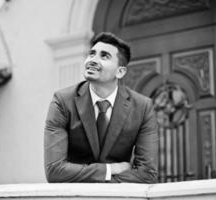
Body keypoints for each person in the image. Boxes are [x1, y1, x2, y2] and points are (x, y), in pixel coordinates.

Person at [44, 32, 158, 183]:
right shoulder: (62, 102)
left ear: (120, 71)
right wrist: (110, 170)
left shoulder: (143, 107)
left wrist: (87, 176)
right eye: (91, 54)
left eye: (104, 56)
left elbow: (147, 174)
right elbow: (54, 171)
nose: (92, 60)